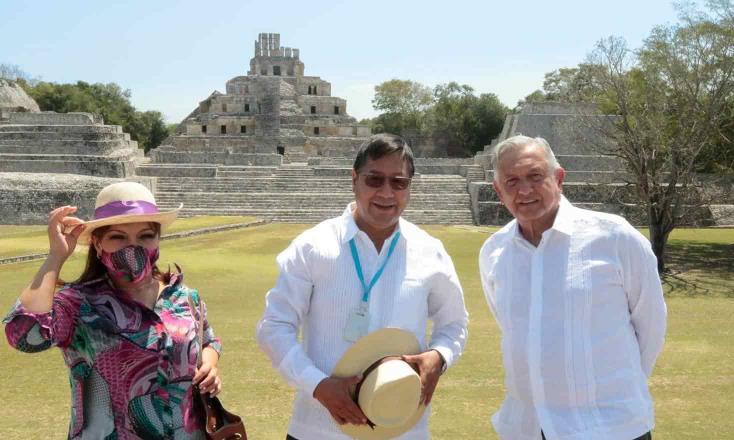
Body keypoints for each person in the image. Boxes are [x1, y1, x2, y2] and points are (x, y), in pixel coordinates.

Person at [257, 133, 469, 440]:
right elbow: (274, 326)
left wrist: (439, 357)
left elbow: (455, 324)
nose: (386, 192)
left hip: (403, 428)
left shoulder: (429, 250)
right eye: (374, 179)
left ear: (409, 187)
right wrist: (318, 385)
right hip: (319, 430)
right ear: (354, 179)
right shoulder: (313, 247)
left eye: (398, 182)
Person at [478, 135, 667, 440]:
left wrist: (608, 392)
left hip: (608, 427)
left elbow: (651, 326)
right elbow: (513, 327)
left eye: (535, 176)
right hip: (527, 427)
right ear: (498, 191)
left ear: (559, 178)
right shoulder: (495, 251)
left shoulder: (614, 237)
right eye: (511, 181)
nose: (524, 190)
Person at [3, 181, 222, 439]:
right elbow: (24, 335)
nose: (133, 248)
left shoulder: (184, 297)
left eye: (145, 236)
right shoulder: (79, 304)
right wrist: (56, 257)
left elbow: (209, 340)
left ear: (158, 239)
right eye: (118, 237)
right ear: (97, 244)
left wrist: (210, 364)